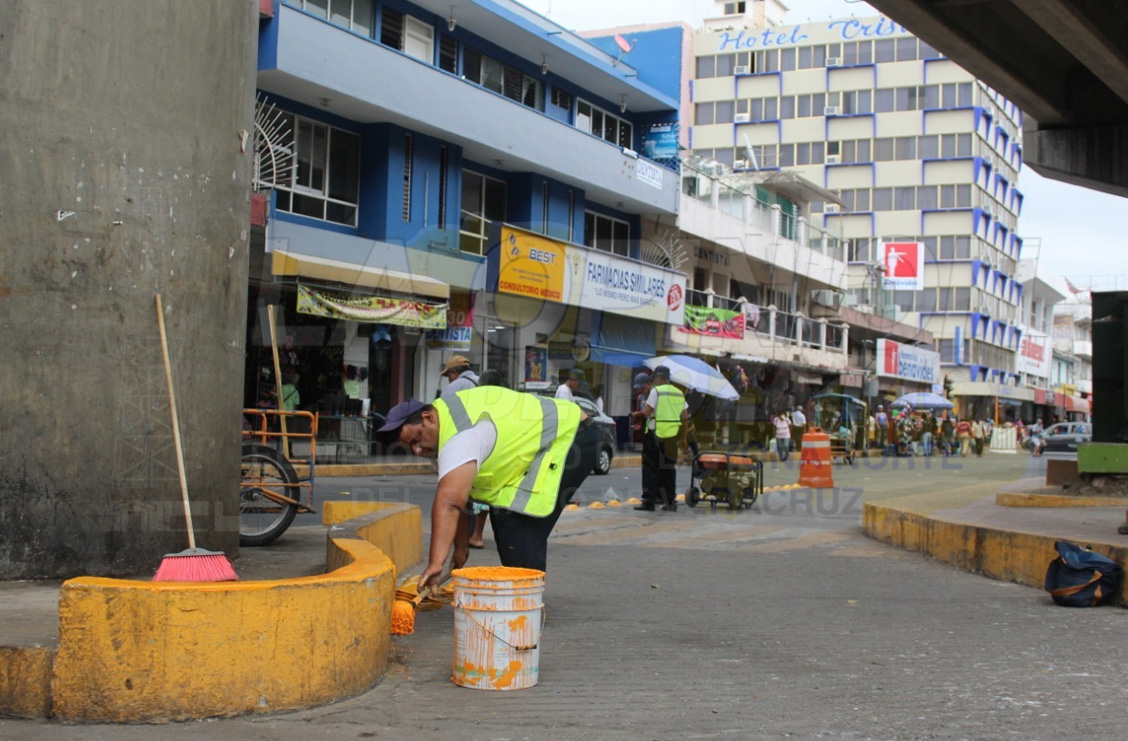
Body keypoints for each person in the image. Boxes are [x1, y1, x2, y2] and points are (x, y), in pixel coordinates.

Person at [378, 386, 600, 586]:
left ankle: (525, 599)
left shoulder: (460, 438)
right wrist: (460, 549)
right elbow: (461, 499)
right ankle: (524, 591)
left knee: (514, 522)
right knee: (508, 520)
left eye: (416, 439)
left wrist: (436, 563)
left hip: (570, 437)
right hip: (567, 434)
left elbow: (449, 504)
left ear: (428, 418)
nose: (417, 451)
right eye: (410, 448)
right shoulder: (449, 427)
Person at [462, 367, 507, 549]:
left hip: (480, 449)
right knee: (489, 495)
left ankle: (471, 535)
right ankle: (477, 534)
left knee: (469, 492)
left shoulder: (477, 399)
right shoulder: (506, 401)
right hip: (500, 450)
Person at [633, 365, 688, 512]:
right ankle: (670, 502)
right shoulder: (679, 393)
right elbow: (685, 417)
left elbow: (647, 412)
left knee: (651, 469)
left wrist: (636, 415)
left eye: (655, 378)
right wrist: (683, 437)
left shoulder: (656, 391)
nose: (654, 381)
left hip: (655, 435)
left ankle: (649, 502)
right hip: (672, 437)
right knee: (668, 469)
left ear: (658, 378)